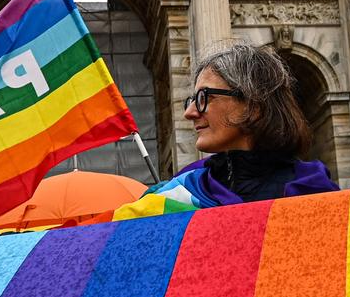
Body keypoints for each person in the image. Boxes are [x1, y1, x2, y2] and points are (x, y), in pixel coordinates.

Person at [113, 42, 337, 219]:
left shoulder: (317, 193)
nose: (189, 112)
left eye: (203, 98)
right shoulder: (175, 193)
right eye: (191, 100)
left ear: (253, 106)